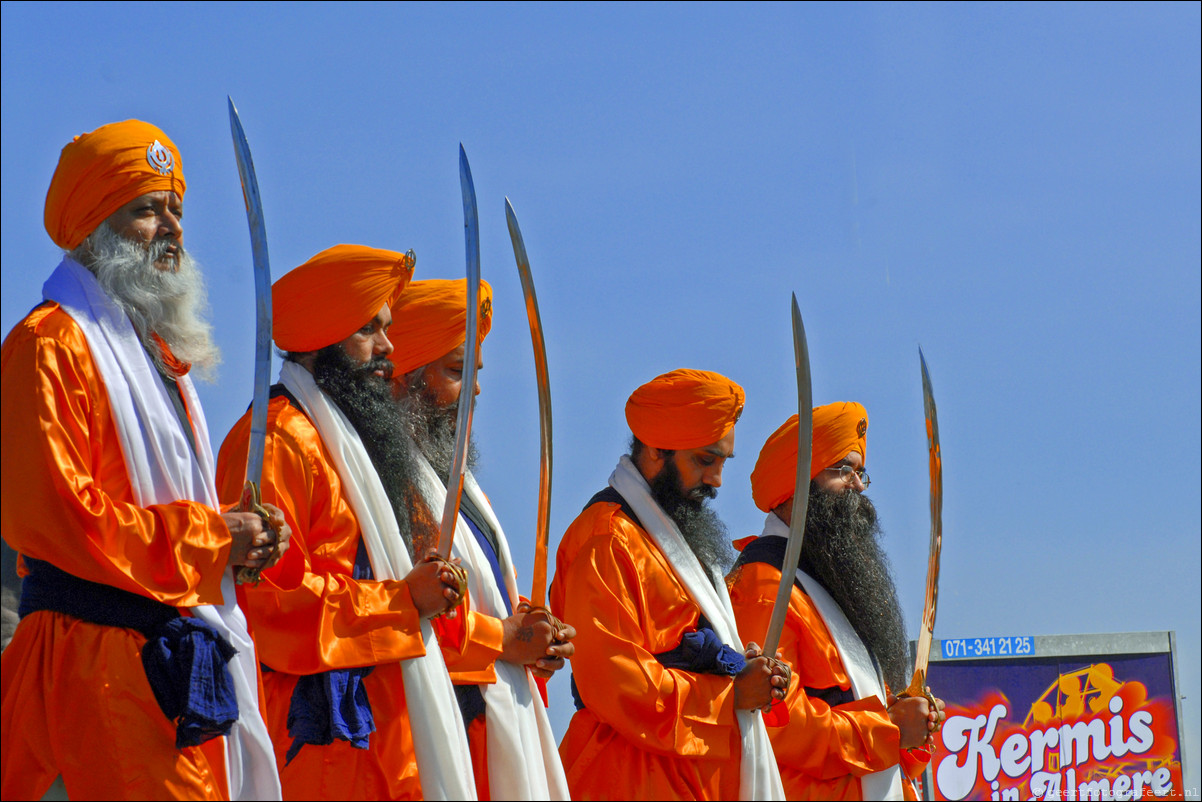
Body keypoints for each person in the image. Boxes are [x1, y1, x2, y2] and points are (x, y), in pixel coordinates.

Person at [1, 119, 288, 800]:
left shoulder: (161, 361)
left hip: (171, 675)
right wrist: (214, 538)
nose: (172, 229)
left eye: (176, 210)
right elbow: (61, 520)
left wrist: (237, 542)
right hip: (87, 671)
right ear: (95, 225)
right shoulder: (50, 346)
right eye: (146, 210)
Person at [215, 245, 476, 801]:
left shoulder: (357, 444)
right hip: (316, 740)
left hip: (390, 737)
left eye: (386, 328)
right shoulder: (276, 440)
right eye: (369, 330)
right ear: (322, 338)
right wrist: (401, 602)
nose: (388, 348)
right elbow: (269, 605)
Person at [551, 369, 788, 801]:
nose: (717, 480)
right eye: (705, 460)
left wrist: (743, 665)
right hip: (627, 778)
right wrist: (729, 696)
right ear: (657, 450)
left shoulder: (669, 536)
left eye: (722, 463)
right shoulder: (607, 537)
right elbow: (615, 685)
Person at [387, 278, 574, 800]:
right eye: (455, 371)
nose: (474, 390)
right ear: (401, 376)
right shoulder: (382, 478)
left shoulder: (462, 486)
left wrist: (534, 635)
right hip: (428, 730)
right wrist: (505, 639)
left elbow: (482, 599)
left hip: (492, 723)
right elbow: (405, 606)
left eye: (475, 373)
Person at [727, 403, 946, 800]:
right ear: (795, 483)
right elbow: (774, 725)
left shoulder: (826, 587)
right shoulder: (764, 585)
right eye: (843, 470)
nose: (859, 485)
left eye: (860, 472)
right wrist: (889, 729)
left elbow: (864, 723)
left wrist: (912, 726)